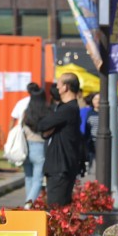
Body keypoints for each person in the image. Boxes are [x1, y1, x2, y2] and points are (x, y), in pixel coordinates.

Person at [37, 73, 85, 207]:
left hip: (61, 167)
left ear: (66, 87)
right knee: (59, 208)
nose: (57, 88)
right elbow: (45, 132)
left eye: (59, 84)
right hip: (60, 166)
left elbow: (42, 125)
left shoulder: (68, 109)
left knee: (56, 209)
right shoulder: (67, 108)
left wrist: (50, 127)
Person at [13, 83, 49, 205]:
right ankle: (29, 203)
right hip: (39, 147)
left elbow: (20, 126)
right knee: (37, 179)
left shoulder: (26, 113)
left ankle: (28, 203)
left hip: (25, 147)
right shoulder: (46, 112)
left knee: (28, 177)